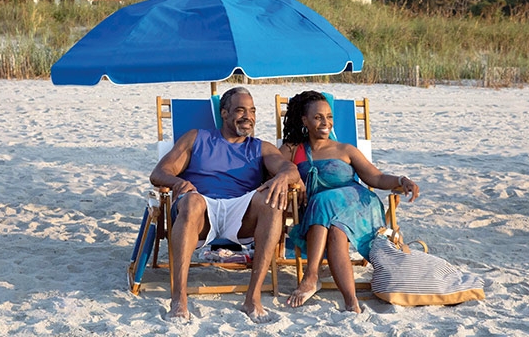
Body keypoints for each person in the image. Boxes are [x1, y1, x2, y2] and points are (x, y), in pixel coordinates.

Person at [150, 87, 302, 322]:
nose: (248, 116)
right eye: (240, 110)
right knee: (190, 202)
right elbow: (160, 172)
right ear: (224, 113)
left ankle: (252, 299)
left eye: (252, 111)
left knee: (272, 204)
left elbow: (288, 169)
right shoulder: (197, 138)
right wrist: (178, 182)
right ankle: (179, 298)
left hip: (241, 212)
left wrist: (283, 177)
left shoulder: (260, 147)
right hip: (202, 206)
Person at [279, 91, 420, 313]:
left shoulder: (345, 149)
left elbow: (376, 177)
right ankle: (350, 300)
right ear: (304, 120)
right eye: (318, 117)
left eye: (329, 117)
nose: (326, 122)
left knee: (324, 199)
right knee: (336, 230)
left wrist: (401, 180)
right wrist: (295, 177)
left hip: (358, 206)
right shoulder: (292, 149)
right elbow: (274, 171)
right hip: (323, 217)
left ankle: (311, 275)